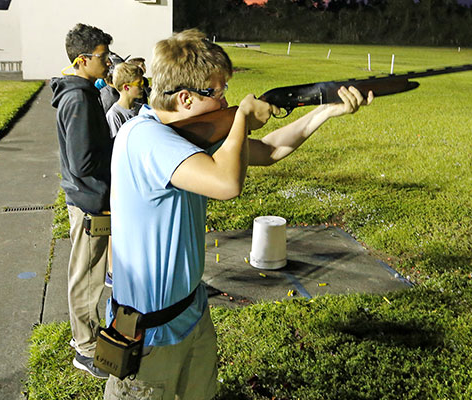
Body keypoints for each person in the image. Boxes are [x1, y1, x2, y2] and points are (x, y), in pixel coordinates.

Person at [105, 29, 372, 399]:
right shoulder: (143, 138)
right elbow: (227, 184)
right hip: (149, 336)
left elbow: (268, 150)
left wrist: (326, 110)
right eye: (218, 92)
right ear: (185, 99)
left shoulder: (183, 138)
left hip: (191, 315)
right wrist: (242, 118)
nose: (226, 100)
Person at [50, 23, 114, 379]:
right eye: (103, 58)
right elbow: (82, 161)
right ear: (82, 60)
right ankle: (85, 348)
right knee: (87, 275)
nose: (108, 64)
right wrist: (117, 153)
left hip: (92, 197)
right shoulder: (76, 98)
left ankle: (89, 336)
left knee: (91, 271)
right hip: (89, 201)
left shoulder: (85, 91)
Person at [105, 62, 145, 138]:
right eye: (139, 83)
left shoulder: (142, 109)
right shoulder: (114, 115)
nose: (142, 87)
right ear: (126, 87)